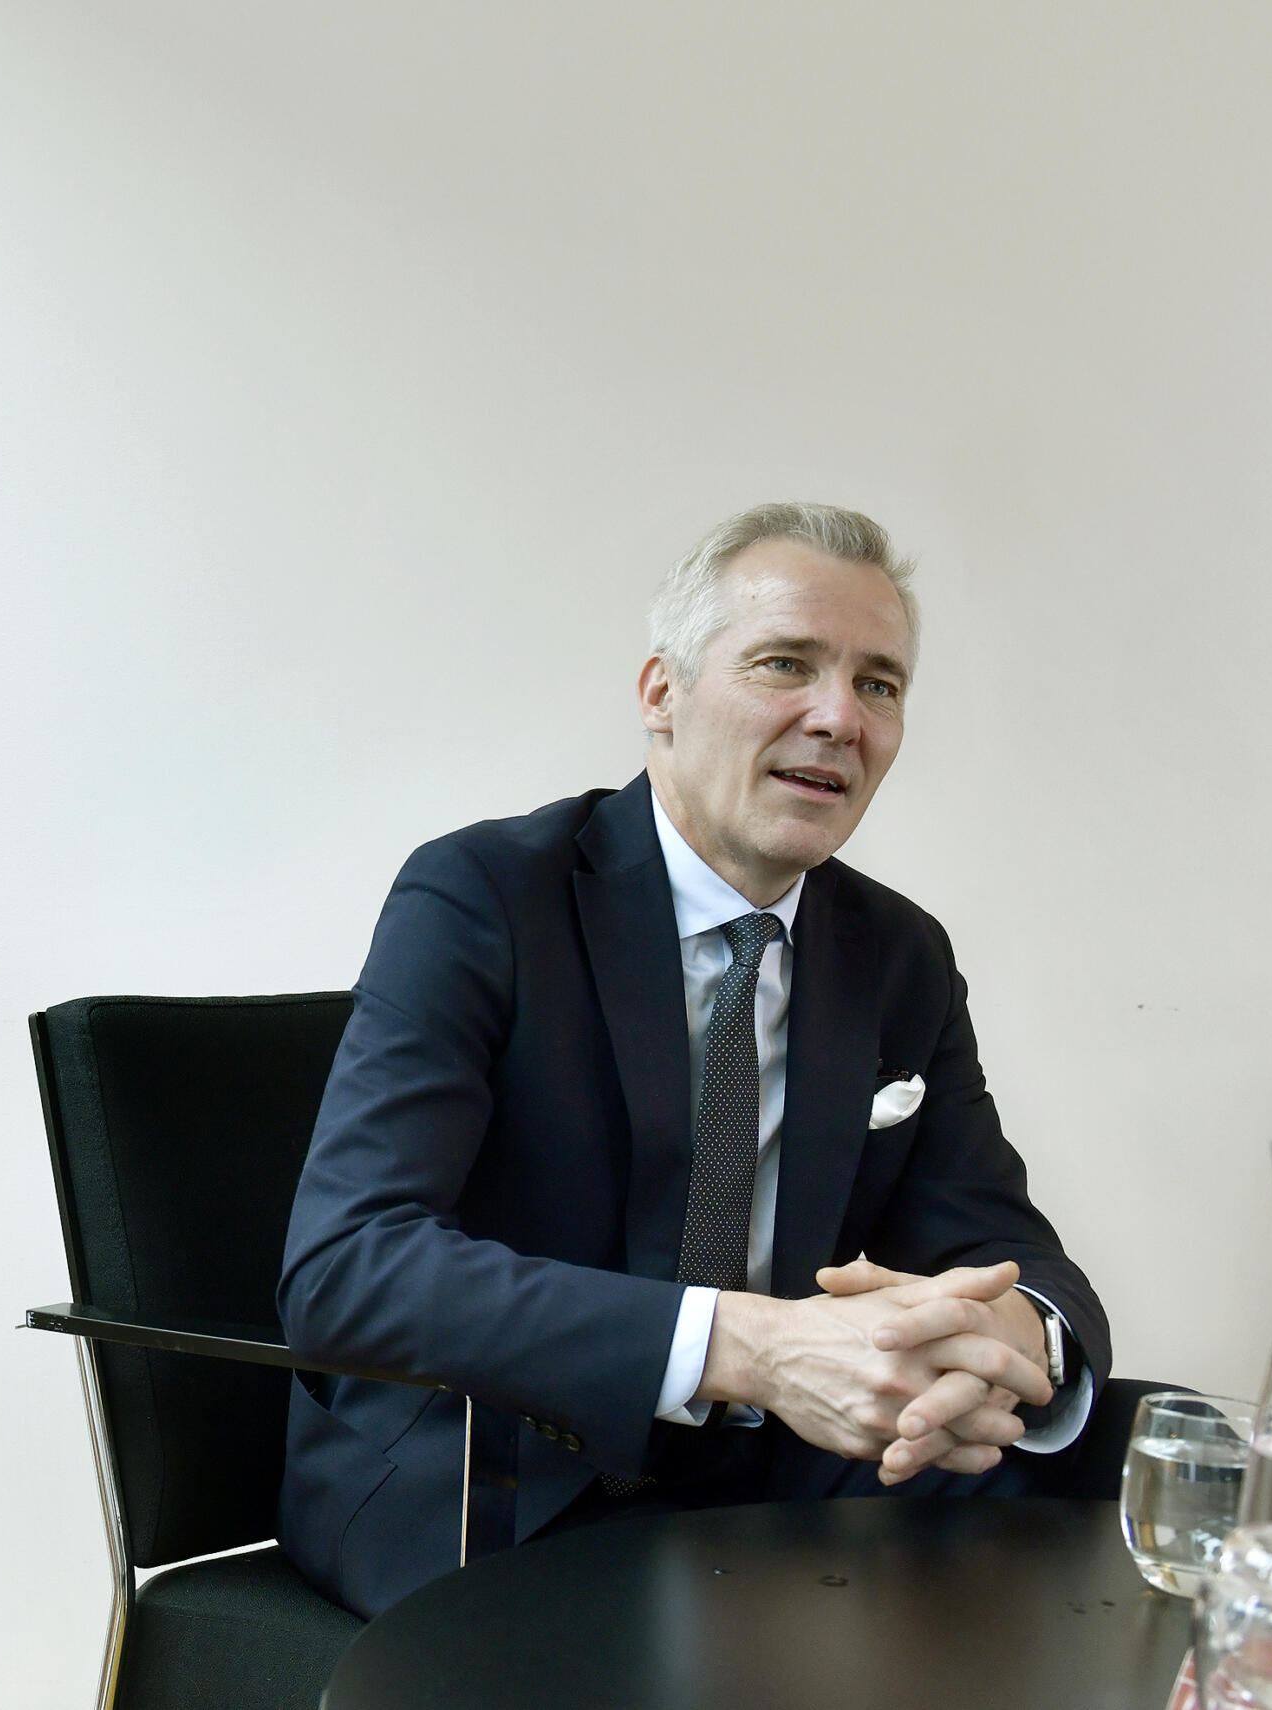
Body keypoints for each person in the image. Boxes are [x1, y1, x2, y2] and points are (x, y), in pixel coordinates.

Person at [276, 502, 1113, 1619]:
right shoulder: (485, 896)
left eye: (878, 684)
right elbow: (348, 1267)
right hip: (503, 1479)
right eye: (786, 664)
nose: (838, 717)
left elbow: (999, 1244)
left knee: (1155, 1473)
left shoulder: (897, 954)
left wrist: (1012, 1336)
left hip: (777, 1481)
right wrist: (751, 1349)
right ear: (660, 694)